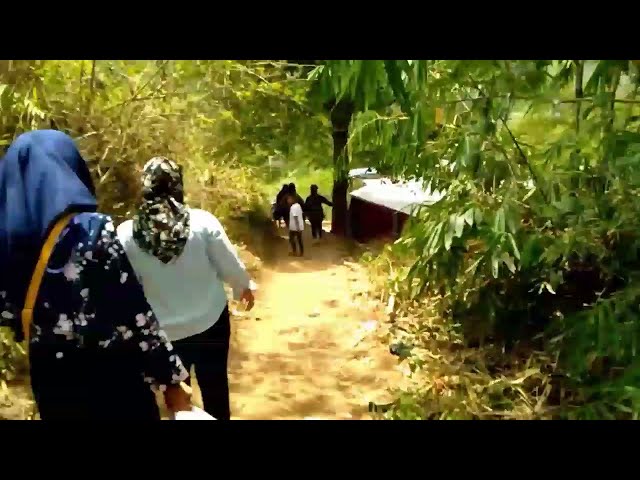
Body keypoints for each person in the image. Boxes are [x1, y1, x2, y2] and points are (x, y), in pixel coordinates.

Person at [0, 130, 190, 420]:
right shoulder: (90, 232)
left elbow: (9, 314)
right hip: (111, 377)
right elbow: (134, 314)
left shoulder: (6, 244)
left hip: (50, 377)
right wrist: (170, 379)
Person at [117, 156, 256, 421]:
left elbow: (126, 289)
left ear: (145, 186)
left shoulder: (125, 234)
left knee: (179, 401)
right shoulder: (202, 223)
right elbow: (229, 264)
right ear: (177, 185)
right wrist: (243, 287)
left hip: (164, 336)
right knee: (215, 388)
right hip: (210, 323)